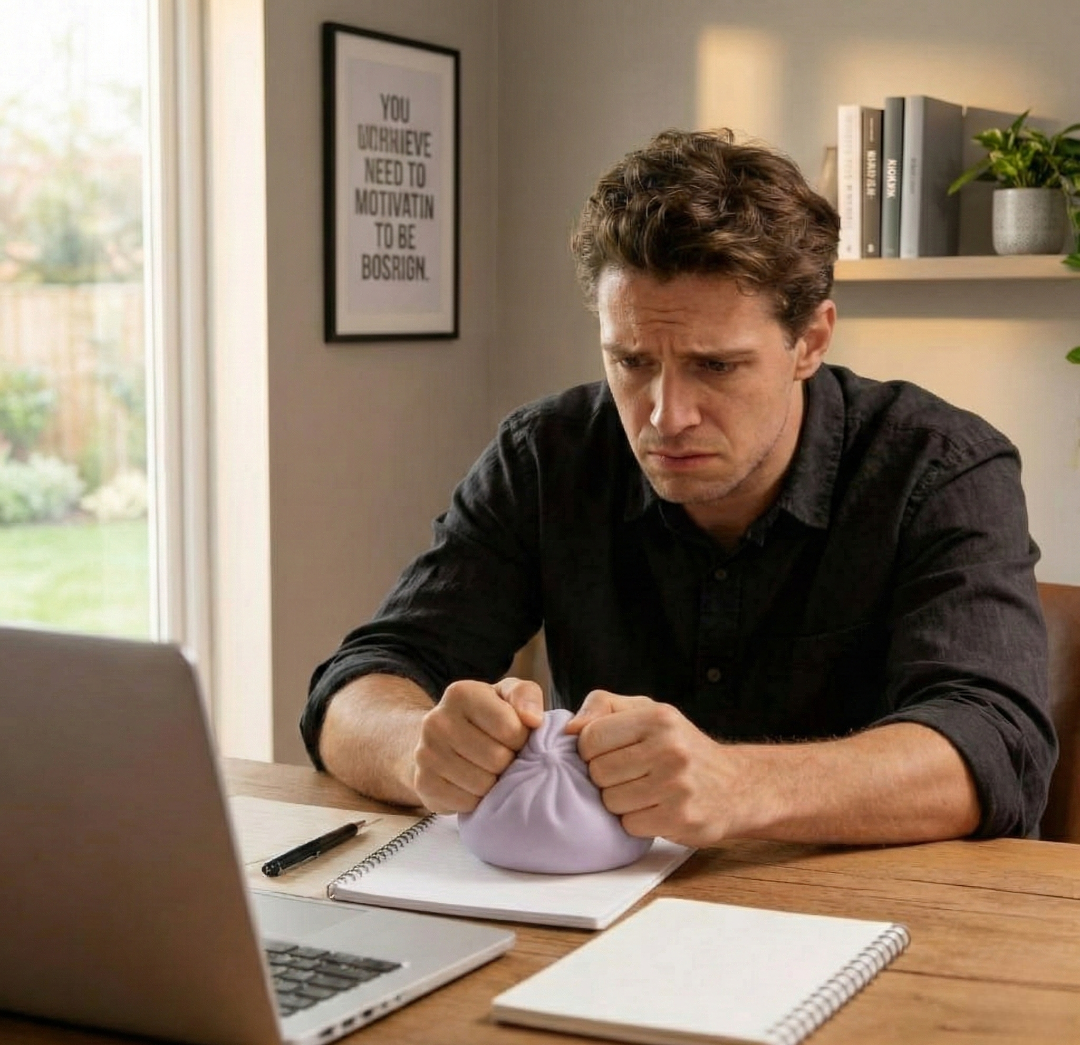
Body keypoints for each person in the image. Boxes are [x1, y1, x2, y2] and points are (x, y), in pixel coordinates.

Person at [301, 129, 1055, 848]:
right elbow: (358, 686)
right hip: (594, 916)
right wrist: (417, 750)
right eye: (631, 362)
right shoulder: (547, 455)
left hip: (883, 923)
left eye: (716, 366)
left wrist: (741, 784)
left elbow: (995, 746)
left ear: (812, 341)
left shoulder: (944, 466)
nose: (666, 416)